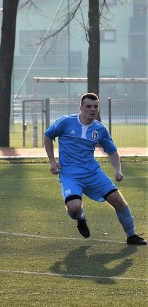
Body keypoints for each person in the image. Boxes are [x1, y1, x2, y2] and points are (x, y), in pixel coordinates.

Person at [43, 92, 146, 245]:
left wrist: (118, 169)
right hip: (70, 175)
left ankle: (131, 236)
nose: (92, 109)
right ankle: (81, 218)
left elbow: (112, 151)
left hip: (93, 173)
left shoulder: (100, 129)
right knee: (74, 208)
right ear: (81, 108)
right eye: (89, 106)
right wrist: (52, 161)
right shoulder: (65, 122)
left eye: (96, 107)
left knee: (119, 202)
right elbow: (47, 136)